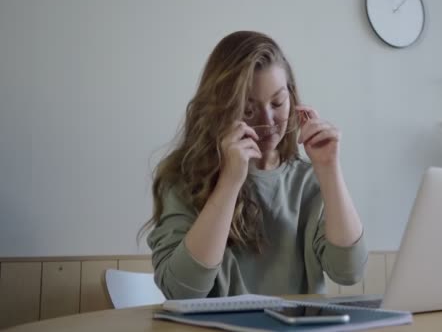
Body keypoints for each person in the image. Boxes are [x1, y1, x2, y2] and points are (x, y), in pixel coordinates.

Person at [140, 31, 367, 299]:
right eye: (248, 109)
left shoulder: (308, 180)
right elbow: (181, 290)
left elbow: (349, 272)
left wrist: (329, 170)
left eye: (278, 102)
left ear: (293, 99)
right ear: (220, 109)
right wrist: (229, 183)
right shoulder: (182, 179)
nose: (268, 120)